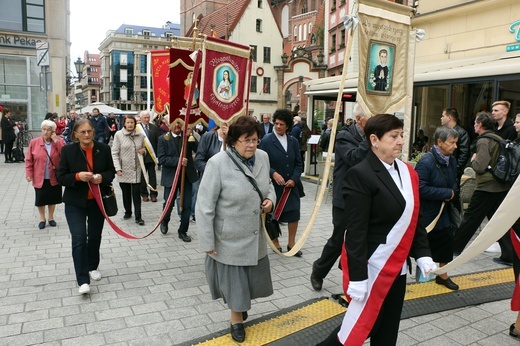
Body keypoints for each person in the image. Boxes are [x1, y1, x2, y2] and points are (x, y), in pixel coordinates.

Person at [317, 114, 435, 346]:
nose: (401, 141)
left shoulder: (407, 172)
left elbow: (414, 219)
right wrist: (358, 278)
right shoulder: (360, 175)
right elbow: (356, 233)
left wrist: (422, 254)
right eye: (393, 136)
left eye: (401, 135)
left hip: (397, 267)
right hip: (373, 267)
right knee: (360, 327)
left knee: (388, 330)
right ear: (374, 139)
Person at [196, 116, 276, 343]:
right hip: (228, 237)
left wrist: (270, 200)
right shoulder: (217, 163)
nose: (252, 144)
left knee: (250, 282)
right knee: (235, 284)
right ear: (233, 141)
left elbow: (268, 186)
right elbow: (204, 206)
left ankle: (239, 308)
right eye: (246, 140)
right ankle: (236, 321)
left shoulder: (263, 157)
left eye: (255, 139)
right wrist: (207, 242)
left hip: (254, 233)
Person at [311, 103, 370, 291]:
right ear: (360, 120)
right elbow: (355, 158)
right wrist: (370, 139)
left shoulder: (371, 138)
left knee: (359, 240)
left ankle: (351, 275)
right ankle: (318, 270)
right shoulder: (345, 136)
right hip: (345, 199)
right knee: (338, 239)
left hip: (365, 198)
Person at [56, 119, 116, 295]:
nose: (87, 134)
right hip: (75, 202)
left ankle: (92, 265)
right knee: (79, 238)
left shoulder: (103, 149)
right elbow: (60, 177)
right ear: (75, 134)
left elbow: (111, 172)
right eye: (82, 132)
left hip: (97, 202)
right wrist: (77, 176)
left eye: (89, 131)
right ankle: (82, 280)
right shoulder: (68, 151)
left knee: (95, 236)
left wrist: (101, 178)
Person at [453, 111, 514, 265]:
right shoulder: (498, 138)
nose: (474, 125)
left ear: (480, 125)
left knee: (470, 219)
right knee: (499, 222)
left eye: (475, 123)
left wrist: (473, 161)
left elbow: (480, 166)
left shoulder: (483, 141)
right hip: (500, 186)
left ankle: (455, 248)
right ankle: (509, 254)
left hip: (486, 187)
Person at [415, 126, 460, 290]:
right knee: (425, 244)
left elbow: (455, 179)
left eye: (456, 142)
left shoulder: (452, 160)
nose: (455, 146)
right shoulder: (426, 161)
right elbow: (419, 188)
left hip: (445, 211)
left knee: (446, 242)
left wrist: (453, 191)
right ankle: (422, 275)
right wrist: (446, 192)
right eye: (452, 142)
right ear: (439, 142)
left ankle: (443, 276)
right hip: (429, 213)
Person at [259, 109, 303, 256]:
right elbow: (261, 162)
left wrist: (294, 179)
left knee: (294, 213)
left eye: (281, 124)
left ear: (288, 126)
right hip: (274, 186)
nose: (278, 126)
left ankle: (291, 244)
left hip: (291, 186)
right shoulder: (266, 140)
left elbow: (299, 163)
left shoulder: (294, 141)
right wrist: (273, 173)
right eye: (276, 123)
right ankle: (275, 243)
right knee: (272, 215)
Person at [157, 121, 198, 241]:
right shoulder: (163, 139)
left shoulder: (187, 137)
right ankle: (164, 221)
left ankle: (183, 231)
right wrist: (178, 161)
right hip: (171, 177)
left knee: (187, 205)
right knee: (168, 203)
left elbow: (199, 149)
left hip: (187, 177)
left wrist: (192, 136)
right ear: (169, 125)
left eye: (179, 124)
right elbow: (162, 159)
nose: (177, 126)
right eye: (174, 124)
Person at [25, 120, 66, 229]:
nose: (46, 132)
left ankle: (51, 217)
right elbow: (29, 160)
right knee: (41, 198)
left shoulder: (59, 141)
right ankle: (42, 218)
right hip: (39, 176)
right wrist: (29, 173)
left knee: (53, 198)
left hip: (54, 176)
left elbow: (65, 153)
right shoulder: (34, 142)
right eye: (44, 129)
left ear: (53, 131)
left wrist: (56, 140)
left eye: (48, 130)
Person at [111, 115, 146, 226]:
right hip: (123, 169)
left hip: (136, 169)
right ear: (124, 123)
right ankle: (128, 211)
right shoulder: (118, 135)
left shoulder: (140, 135)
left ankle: (138, 216)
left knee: (136, 193)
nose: (130, 124)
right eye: (128, 122)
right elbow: (114, 153)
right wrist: (117, 168)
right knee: (126, 193)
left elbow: (145, 149)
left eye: (132, 122)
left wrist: (143, 151)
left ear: (135, 123)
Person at [138, 111, 159, 202]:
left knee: (152, 176)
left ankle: (153, 193)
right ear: (141, 118)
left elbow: (157, 142)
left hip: (151, 156)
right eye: (145, 118)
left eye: (148, 117)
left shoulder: (154, 128)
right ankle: (144, 194)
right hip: (141, 157)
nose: (147, 119)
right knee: (142, 176)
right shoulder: (137, 128)